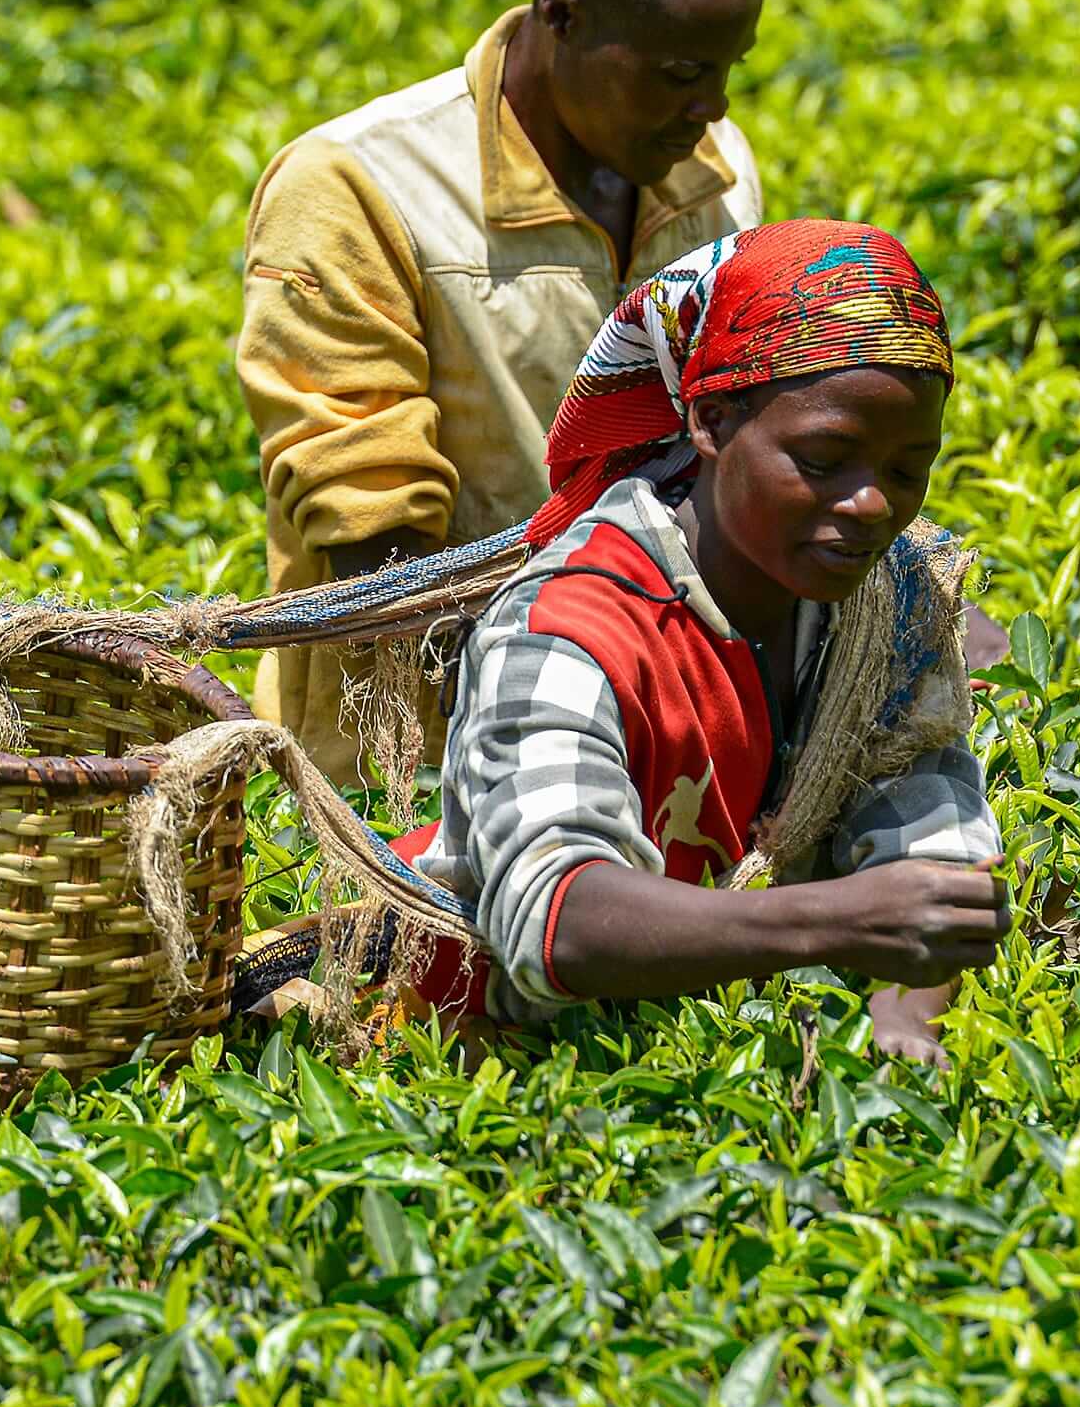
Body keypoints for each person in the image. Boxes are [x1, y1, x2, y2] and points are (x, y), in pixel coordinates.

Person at [410, 218, 1009, 1067]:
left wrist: (904, 1021)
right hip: (486, 1062)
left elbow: (932, 860)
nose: (873, 504)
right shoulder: (568, 623)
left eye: (907, 471)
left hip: (710, 1060)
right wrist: (840, 921)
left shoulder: (888, 601)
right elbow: (556, 922)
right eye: (823, 457)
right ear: (712, 423)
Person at [235, 0, 768, 785]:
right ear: (560, 20)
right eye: (682, 70)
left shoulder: (713, 174)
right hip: (403, 767)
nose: (712, 105)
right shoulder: (360, 187)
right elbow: (375, 536)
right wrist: (570, 689)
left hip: (660, 738)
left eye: (727, 69)